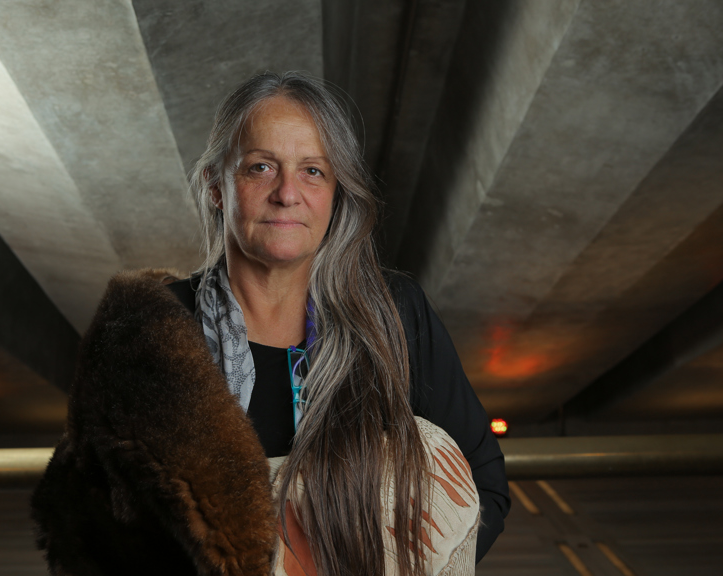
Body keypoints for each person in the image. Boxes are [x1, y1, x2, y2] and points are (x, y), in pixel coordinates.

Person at [32, 71, 508, 576]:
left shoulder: (392, 313)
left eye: (313, 171)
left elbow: (484, 488)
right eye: (261, 167)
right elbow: (81, 529)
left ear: (335, 193)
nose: (287, 193)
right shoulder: (147, 329)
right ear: (217, 186)